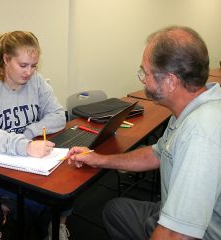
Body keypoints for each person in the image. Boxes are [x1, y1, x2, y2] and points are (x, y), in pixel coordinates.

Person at [66, 26, 221, 240]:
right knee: (115, 211)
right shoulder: (191, 107)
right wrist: (99, 159)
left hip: (198, 233)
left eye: (145, 73)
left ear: (170, 81)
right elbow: (157, 153)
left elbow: (176, 235)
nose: (143, 80)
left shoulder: (201, 132)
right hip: (172, 210)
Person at [0, 31, 70, 239]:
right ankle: (21, 223)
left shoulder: (35, 81)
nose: (29, 72)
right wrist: (24, 145)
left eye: (34, 65)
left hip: (24, 152)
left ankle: (54, 225)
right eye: (23, 65)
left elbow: (58, 115)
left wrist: (29, 133)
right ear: (6, 58)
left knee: (66, 177)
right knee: (38, 195)